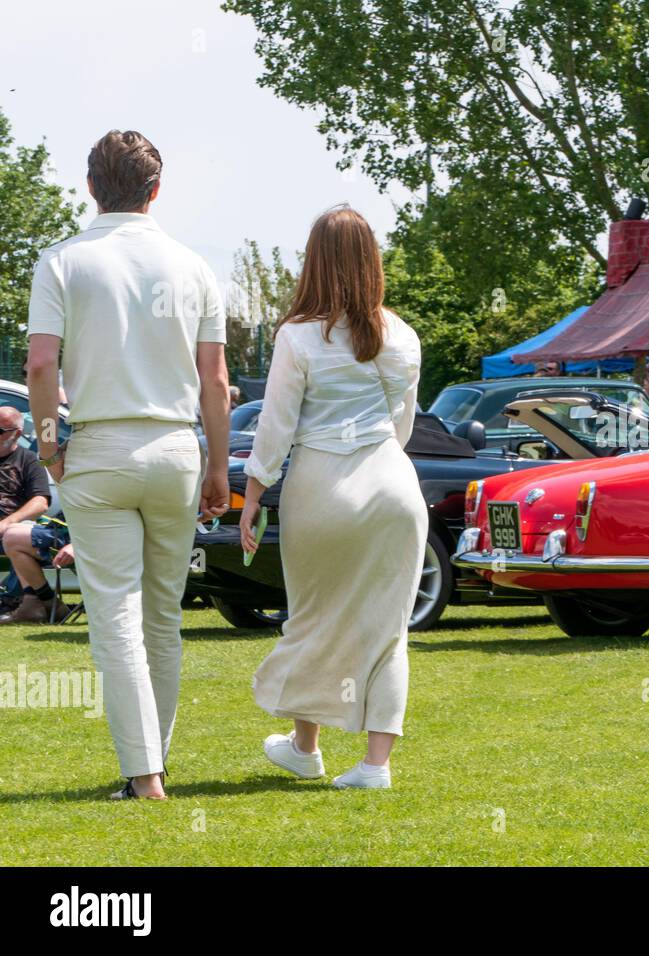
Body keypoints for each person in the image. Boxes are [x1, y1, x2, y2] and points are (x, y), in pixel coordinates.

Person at [26, 129, 231, 800]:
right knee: (162, 619)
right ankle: (152, 768)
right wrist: (219, 468)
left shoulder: (61, 260)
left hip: (99, 447)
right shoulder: (194, 266)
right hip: (176, 447)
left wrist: (50, 443)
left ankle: (145, 776)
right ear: (156, 189)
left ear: (91, 186)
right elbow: (214, 379)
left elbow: (40, 364)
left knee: (114, 615)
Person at [241, 206, 426, 790]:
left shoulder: (297, 336)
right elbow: (403, 425)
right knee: (387, 628)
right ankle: (375, 764)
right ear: (373, 259)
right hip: (394, 485)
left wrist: (253, 493)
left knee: (314, 617)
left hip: (322, 487)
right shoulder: (403, 335)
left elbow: (275, 426)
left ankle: (305, 745)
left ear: (314, 261)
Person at [0, 406, 70, 623]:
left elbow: (40, 502)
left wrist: (7, 522)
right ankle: (36, 602)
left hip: (11, 526)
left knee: (13, 535)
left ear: (17, 434)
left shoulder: (28, 460)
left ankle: (20, 599)